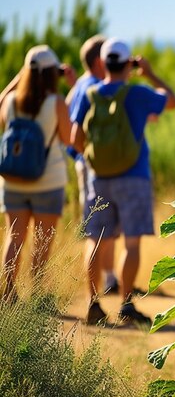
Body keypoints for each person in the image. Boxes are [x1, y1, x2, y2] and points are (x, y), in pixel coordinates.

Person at [71, 37, 175, 326]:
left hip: (99, 178)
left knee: (96, 240)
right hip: (134, 176)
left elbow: (74, 138)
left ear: (103, 63)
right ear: (128, 63)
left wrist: (94, 159)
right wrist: (150, 73)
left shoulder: (90, 93)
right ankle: (126, 304)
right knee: (131, 242)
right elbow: (172, 100)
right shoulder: (138, 94)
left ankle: (93, 305)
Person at [0, 45, 76, 302]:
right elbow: (67, 138)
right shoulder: (56, 103)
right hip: (48, 180)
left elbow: (1, 103)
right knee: (42, 242)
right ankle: (37, 294)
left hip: (12, 181)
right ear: (52, 73)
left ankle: (7, 293)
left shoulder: (11, 102)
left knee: (13, 237)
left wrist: (22, 73)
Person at [65, 34, 119, 295]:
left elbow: (68, 120)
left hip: (83, 162)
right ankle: (101, 287)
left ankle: (109, 280)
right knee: (100, 226)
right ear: (100, 59)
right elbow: (77, 134)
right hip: (94, 165)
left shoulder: (80, 86)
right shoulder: (96, 86)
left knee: (99, 224)